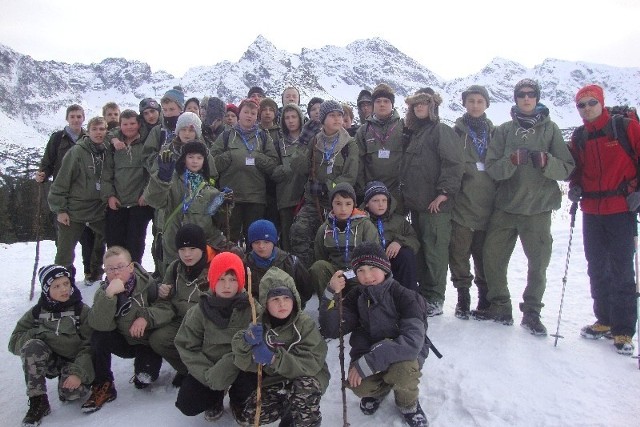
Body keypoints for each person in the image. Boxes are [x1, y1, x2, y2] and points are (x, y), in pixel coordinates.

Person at [474, 79, 575, 335]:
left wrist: (547, 161)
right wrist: (510, 161)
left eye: (531, 94)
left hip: (538, 210)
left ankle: (532, 312)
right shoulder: (505, 130)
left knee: (538, 264)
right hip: (506, 208)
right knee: (492, 258)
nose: (526, 98)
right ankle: (500, 306)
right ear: (516, 98)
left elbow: (567, 168)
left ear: (537, 98)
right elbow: (493, 168)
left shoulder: (551, 129)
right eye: (521, 95)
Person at [319, 242, 430, 427]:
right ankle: (379, 392)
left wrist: (369, 361)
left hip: (404, 356)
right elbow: (332, 329)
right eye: (360, 270)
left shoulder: (405, 296)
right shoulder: (357, 297)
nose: (367, 276)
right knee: (360, 386)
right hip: (369, 353)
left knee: (402, 373)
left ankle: (408, 403)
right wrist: (330, 293)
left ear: (385, 268)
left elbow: (412, 342)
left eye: (372, 268)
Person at [568, 84, 640, 355]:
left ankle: (623, 329)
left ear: (601, 102)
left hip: (621, 208)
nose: (586, 108)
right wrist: (575, 185)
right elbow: (577, 168)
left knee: (622, 269)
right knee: (596, 265)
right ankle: (604, 319)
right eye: (581, 105)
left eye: (591, 103)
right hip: (592, 209)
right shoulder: (580, 136)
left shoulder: (624, 127)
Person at [231, 268, 330, 426]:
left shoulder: (305, 325)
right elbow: (243, 363)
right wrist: (245, 341)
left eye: (286, 298)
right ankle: (290, 408)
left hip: (308, 377)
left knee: (304, 391)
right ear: (265, 302)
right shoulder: (259, 325)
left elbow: (311, 363)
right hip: (277, 380)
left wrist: (273, 358)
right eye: (275, 299)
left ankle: (306, 419)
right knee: (251, 416)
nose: (282, 304)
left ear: (294, 299)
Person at [400, 88, 464, 316]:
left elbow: (453, 164)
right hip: (418, 206)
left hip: (436, 207)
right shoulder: (417, 133)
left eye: (424, 104)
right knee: (423, 251)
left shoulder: (441, 131)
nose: (419, 108)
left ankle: (435, 298)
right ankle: (424, 293)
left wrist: (444, 193)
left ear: (433, 107)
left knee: (435, 253)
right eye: (415, 105)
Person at [174, 251, 258, 422]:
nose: (227, 285)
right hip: (210, 368)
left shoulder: (252, 309)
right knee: (188, 403)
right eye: (221, 279)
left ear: (241, 281)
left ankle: (239, 401)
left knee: (253, 380)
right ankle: (215, 398)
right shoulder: (199, 311)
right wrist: (208, 374)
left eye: (233, 279)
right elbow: (186, 346)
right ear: (212, 280)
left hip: (240, 366)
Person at [9, 265, 93, 427]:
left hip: (75, 362)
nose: (63, 289)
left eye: (66, 284)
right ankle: (38, 400)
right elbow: (13, 343)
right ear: (46, 290)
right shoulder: (36, 313)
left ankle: (68, 382)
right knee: (32, 346)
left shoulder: (80, 310)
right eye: (56, 286)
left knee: (71, 394)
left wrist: (78, 373)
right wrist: (37, 333)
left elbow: (89, 346)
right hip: (51, 361)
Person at [83, 246, 160, 413]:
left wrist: (145, 318)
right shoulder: (104, 291)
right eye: (110, 269)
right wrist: (109, 296)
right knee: (99, 336)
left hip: (147, 342)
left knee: (145, 379)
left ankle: (144, 368)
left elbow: (165, 308)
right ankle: (104, 384)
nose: (116, 272)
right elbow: (99, 324)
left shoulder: (148, 285)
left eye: (120, 267)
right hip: (124, 341)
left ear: (131, 267)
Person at [35, 104, 100, 285]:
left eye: (79, 116)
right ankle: (65, 276)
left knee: (90, 240)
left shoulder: (90, 138)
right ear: (67, 118)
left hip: (87, 199)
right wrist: (42, 173)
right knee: (64, 243)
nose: (76, 120)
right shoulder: (58, 139)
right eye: (73, 116)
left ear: (83, 118)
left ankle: (90, 272)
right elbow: (48, 162)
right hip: (65, 196)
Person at [289, 100, 359, 269]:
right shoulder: (314, 141)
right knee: (299, 231)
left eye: (340, 115)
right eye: (332, 115)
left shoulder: (349, 144)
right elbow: (298, 167)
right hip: (313, 202)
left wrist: (327, 187)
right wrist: (302, 142)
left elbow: (350, 177)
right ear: (323, 119)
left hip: (337, 203)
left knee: (332, 239)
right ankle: (306, 276)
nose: (337, 119)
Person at [144, 224, 212, 388]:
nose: (187, 254)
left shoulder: (215, 267)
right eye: (182, 249)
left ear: (202, 248)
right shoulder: (175, 268)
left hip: (207, 323)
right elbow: (165, 303)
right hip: (180, 320)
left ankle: (206, 372)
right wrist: (163, 295)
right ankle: (187, 370)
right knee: (158, 339)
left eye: (192, 248)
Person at [144, 141, 226, 275]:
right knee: (172, 280)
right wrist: (162, 179)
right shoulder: (172, 182)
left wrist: (225, 203)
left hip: (200, 246)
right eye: (191, 157)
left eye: (199, 158)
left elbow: (217, 222)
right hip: (173, 243)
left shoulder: (210, 189)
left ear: (204, 161)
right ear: (184, 159)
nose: (195, 161)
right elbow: (154, 201)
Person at [449, 85, 496, 319]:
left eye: (480, 101)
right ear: (465, 104)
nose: (475, 105)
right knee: (459, 254)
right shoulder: (456, 133)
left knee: (484, 255)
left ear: (486, 104)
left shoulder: (495, 133)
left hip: (489, 206)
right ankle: (462, 297)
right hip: (462, 206)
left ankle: (484, 298)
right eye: (471, 101)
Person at [48, 116, 108, 283]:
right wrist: (60, 209)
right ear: (88, 132)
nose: (98, 133)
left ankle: (100, 273)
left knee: (114, 240)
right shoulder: (77, 152)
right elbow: (61, 182)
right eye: (95, 129)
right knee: (65, 252)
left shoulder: (108, 151)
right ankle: (60, 283)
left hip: (99, 209)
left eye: (102, 129)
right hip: (74, 210)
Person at [211, 99, 279, 245]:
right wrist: (229, 156)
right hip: (230, 197)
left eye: (253, 113)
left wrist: (257, 157)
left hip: (255, 199)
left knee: (254, 240)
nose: (249, 116)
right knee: (230, 239)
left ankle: (252, 268)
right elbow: (212, 163)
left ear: (257, 116)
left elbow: (274, 165)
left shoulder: (263, 137)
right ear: (239, 114)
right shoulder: (226, 136)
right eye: (246, 112)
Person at [309, 182, 380, 297]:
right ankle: (329, 305)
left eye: (348, 204)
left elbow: (373, 255)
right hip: (336, 273)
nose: (343, 209)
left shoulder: (365, 225)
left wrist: (358, 271)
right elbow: (320, 255)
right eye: (338, 203)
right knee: (318, 267)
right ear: (332, 204)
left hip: (359, 272)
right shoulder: (325, 228)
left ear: (354, 205)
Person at [101, 109, 153, 264]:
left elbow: (150, 173)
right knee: (114, 243)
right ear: (120, 125)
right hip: (118, 203)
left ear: (138, 124)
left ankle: (135, 275)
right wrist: (109, 195)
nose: (129, 127)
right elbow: (106, 173)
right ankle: (115, 275)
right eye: (125, 124)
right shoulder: (113, 145)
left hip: (139, 203)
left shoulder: (146, 143)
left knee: (136, 243)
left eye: (132, 123)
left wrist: (146, 194)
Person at [362, 181, 419, 291]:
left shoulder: (398, 220)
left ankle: (409, 296)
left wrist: (399, 242)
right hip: (371, 263)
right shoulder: (361, 221)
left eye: (384, 200)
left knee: (406, 255)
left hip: (394, 263)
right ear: (367, 203)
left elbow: (414, 239)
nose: (381, 204)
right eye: (375, 201)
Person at [356, 83, 405, 209]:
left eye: (386, 101)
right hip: (372, 193)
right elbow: (358, 162)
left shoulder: (404, 127)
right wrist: (363, 190)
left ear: (392, 104)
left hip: (397, 193)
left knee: (396, 227)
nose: (382, 104)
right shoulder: (363, 130)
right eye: (378, 101)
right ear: (373, 104)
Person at [244, 219, 313, 305]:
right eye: (256, 242)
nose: (261, 246)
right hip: (255, 313)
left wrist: (293, 305)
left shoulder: (291, 262)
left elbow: (306, 290)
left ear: (274, 242)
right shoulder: (244, 265)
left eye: (266, 242)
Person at [272, 103, 307, 251]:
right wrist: (286, 168)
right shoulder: (278, 144)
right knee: (287, 238)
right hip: (285, 198)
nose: (291, 121)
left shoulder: (310, 141)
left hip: (305, 197)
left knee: (304, 236)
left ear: (300, 118)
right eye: (287, 118)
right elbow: (272, 171)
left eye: (293, 117)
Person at [142, 86, 185, 172]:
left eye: (172, 109)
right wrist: (161, 163)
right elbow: (146, 157)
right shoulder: (157, 131)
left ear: (181, 109)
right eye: (165, 110)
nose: (168, 113)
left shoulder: (190, 129)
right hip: (163, 179)